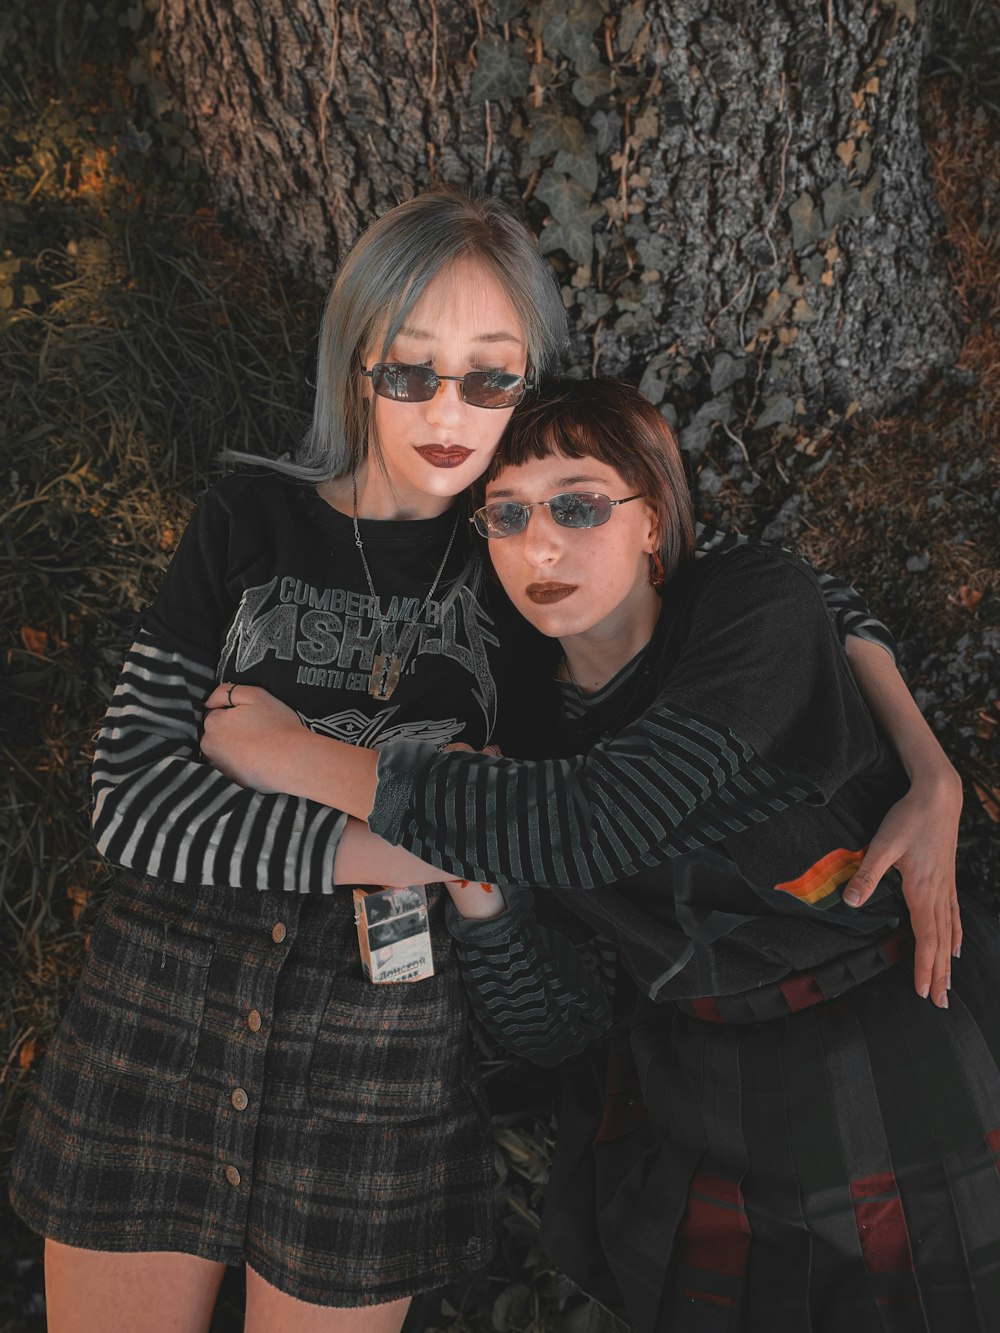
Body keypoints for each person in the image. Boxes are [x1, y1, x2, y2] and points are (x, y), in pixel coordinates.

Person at [9, 188, 958, 1332]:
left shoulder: (523, 568)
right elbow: (135, 801)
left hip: (379, 1025)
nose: (448, 410)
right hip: (167, 986)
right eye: (411, 372)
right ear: (357, 365)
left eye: (490, 376)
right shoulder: (248, 521)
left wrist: (929, 769)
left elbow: (775, 599)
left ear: (531, 380)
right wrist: (390, 844)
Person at [195, 378, 989, 1332]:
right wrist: (488, 905)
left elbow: (601, 819)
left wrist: (297, 757)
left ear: (654, 521)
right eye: (507, 515)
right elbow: (562, 1028)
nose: (541, 545)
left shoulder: (746, 610)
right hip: (705, 1086)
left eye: (579, 506)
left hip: (892, 1011)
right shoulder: (512, 733)